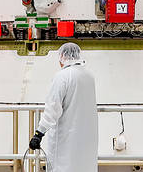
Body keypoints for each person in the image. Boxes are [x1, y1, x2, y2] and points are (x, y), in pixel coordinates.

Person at [28, 43, 97, 172]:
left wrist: (39, 133)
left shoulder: (63, 76)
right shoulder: (89, 76)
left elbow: (53, 108)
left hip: (66, 138)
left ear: (63, 56)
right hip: (87, 138)